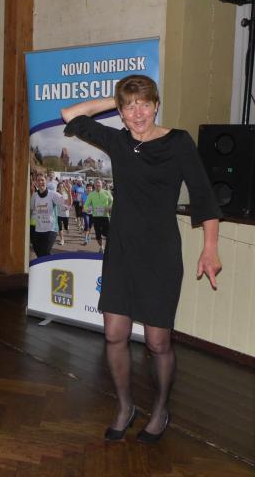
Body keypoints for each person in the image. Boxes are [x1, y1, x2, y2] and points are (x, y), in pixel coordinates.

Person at [61, 75, 221, 444]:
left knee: (157, 342)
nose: (137, 113)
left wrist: (210, 248)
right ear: (121, 111)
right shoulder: (117, 140)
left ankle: (160, 410)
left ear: (156, 105)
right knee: (114, 334)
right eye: (130, 106)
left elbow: (204, 196)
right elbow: (70, 114)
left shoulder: (178, 142)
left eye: (144, 104)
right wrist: (115, 97)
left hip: (160, 253)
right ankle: (125, 406)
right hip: (122, 251)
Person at [30, 174, 66, 257]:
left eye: (42, 180)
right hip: (38, 228)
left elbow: (67, 203)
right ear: (36, 183)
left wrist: (68, 192)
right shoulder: (34, 196)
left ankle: (49, 263)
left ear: (46, 181)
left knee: (44, 252)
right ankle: (50, 263)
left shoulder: (52, 194)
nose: (40, 182)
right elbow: (31, 209)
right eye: (38, 180)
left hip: (51, 228)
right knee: (39, 253)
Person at [84, 178, 113, 252]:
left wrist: (109, 207)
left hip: (105, 216)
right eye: (96, 183)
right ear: (94, 185)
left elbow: (112, 201)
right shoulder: (91, 194)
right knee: (98, 236)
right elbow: (86, 205)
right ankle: (101, 247)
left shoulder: (107, 192)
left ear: (102, 184)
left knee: (107, 234)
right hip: (96, 217)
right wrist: (87, 209)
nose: (98, 184)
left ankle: (108, 247)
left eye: (99, 183)